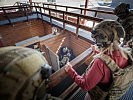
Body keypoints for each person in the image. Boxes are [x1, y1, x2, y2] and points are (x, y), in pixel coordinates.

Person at [65, 20, 129, 100]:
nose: (95, 41)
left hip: (98, 95)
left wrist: (70, 71)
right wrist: (98, 51)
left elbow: (85, 86)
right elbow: (113, 62)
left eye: (96, 39)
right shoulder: (126, 54)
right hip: (111, 92)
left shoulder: (99, 63)